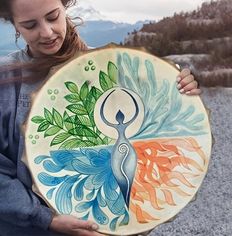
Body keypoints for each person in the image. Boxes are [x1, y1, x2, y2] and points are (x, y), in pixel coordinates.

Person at [0, 0, 201, 235]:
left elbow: (157, 129)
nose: (46, 32)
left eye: (53, 17)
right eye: (30, 25)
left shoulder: (108, 67)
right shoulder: (7, 79)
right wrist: (46, 218)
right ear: (14, 25)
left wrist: (180, 89)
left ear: (65, 8)